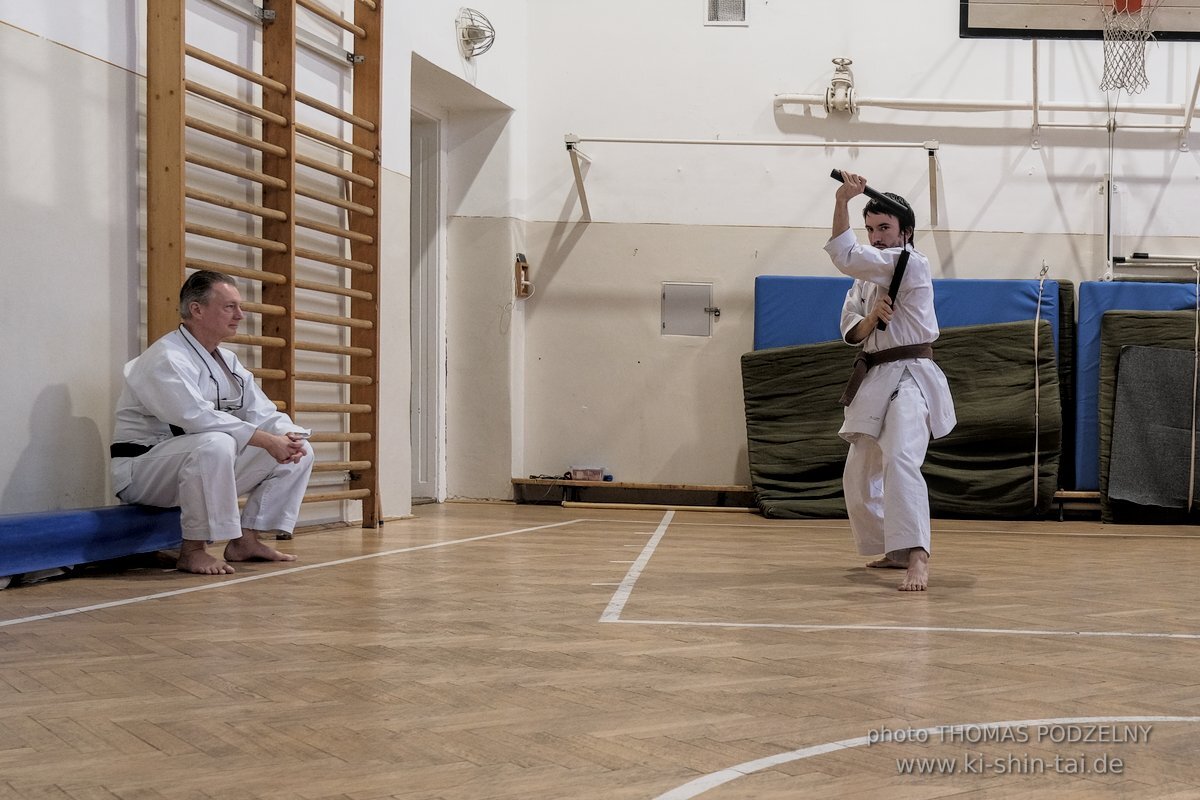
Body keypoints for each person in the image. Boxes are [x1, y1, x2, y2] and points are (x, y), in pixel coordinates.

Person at [110, 271, 313, 575]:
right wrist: (268, 441)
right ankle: (192, 550)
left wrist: (287, 436)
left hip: (195, 463)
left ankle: (246, 539)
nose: (240, 315)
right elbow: (196, 418)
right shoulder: (166, 357)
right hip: (144, 470)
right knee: (216, 441)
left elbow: (263, 412)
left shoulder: (227, 362)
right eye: (229, 307)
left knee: (300, 451)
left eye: (238, 307)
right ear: (197, 310)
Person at [824, 172, 956, 591]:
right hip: (874, 376)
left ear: (906, 232)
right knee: (859, 475)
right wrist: (870, 319)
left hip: (911, 376)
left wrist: (842, 200)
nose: (877, 237)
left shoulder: (910, 263)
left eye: (885, 228)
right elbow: (851, 332)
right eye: (872, 229)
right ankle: (895, 548)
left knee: (901, 456)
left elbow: (845, 255)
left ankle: (918, 554)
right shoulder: (865, 280)